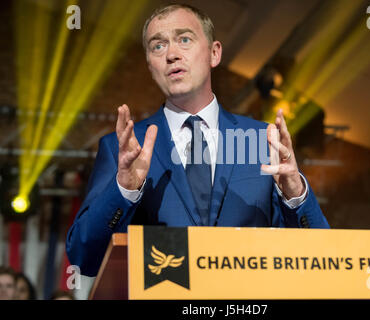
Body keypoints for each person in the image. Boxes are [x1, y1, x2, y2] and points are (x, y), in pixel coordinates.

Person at [66, 4, 329, 277]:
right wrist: (124, 190)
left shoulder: (261, 140)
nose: (171, 54)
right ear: (149, 66)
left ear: (214, 53)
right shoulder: (123, 147)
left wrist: (296, 196)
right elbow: (84, 258)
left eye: (184, 39)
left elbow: (317, 260)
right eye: (158, 46)